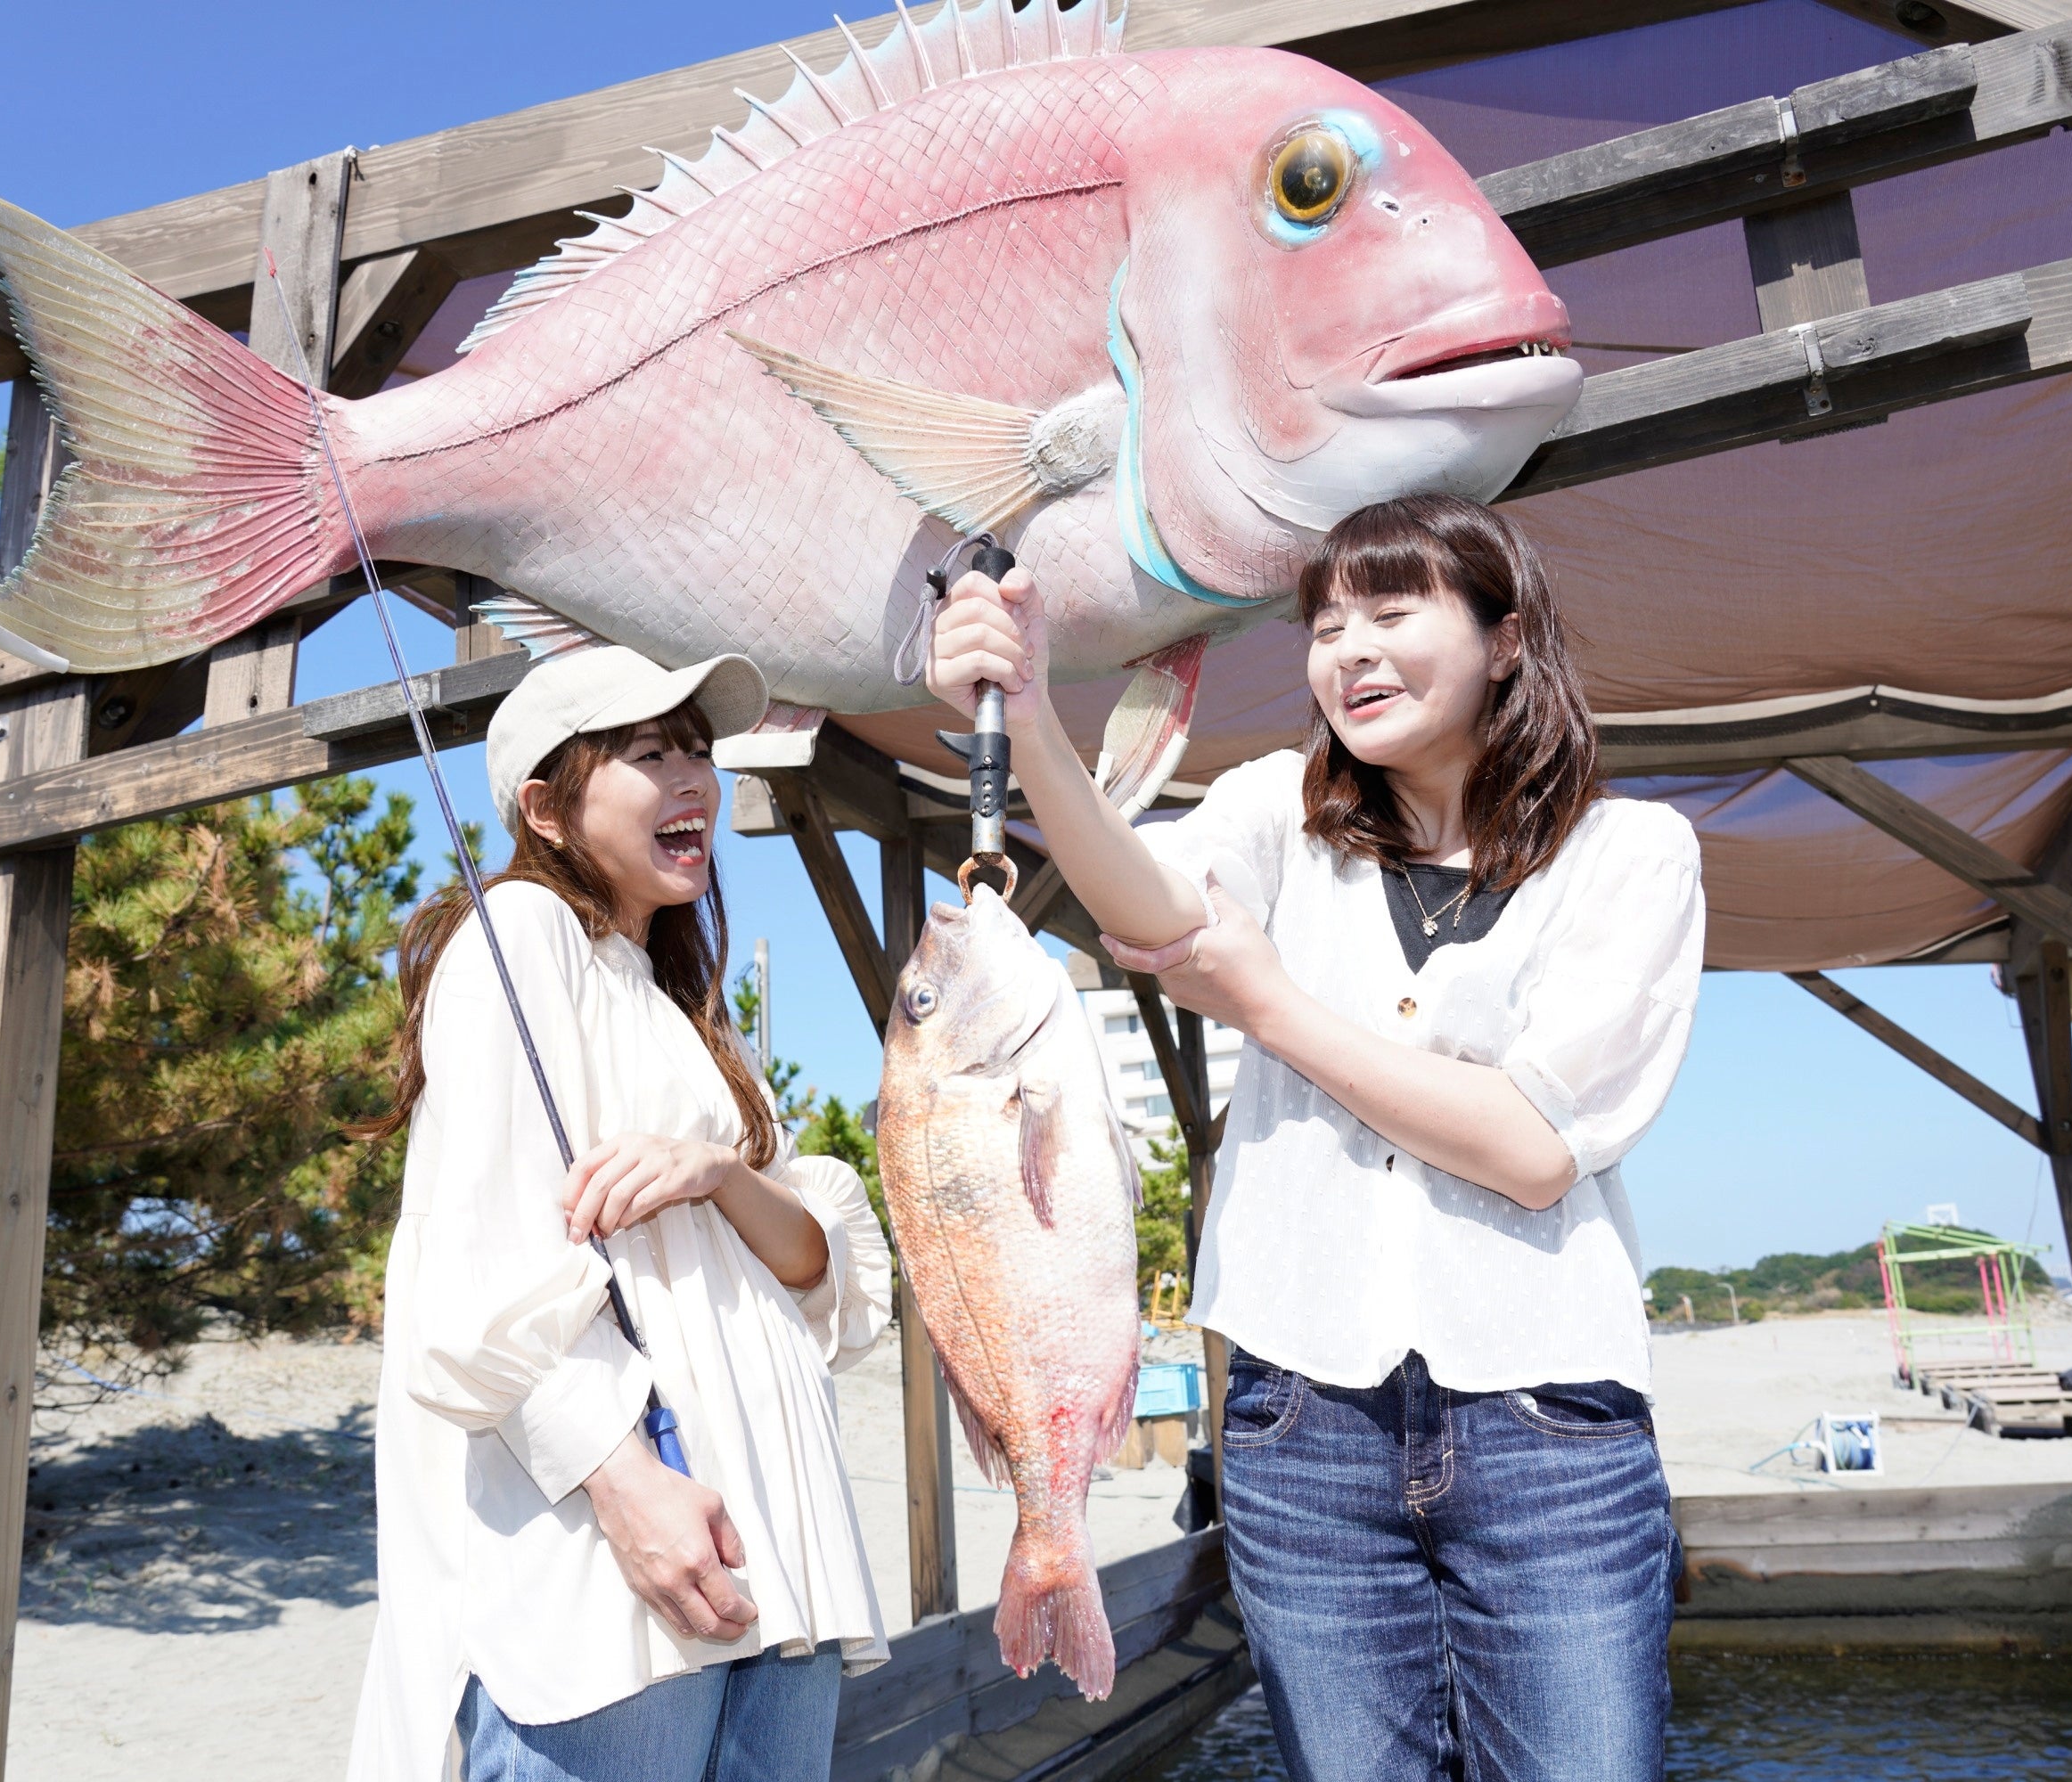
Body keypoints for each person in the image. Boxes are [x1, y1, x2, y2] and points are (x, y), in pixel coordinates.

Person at [926, 494, 1704, 1782]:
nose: (1349, 650)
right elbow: (1154, 908)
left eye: (1393, 614)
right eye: (1326, 624)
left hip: (1550, 1416)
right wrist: (1035, 717)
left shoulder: (1630, 854)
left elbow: (1530, 1146)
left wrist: (1271, 1004)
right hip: (1301, 1421)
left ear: (1507, 639)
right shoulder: (1272, 809)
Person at [347, 646, 892, 1782]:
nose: (691, 774)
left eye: (696, 746)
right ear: (544, 809)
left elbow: (818, 1270)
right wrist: (625, 1484)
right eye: (648, 752)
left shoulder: (684, 1008)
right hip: (614, 1567)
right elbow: (471, 1262)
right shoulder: (522, 934)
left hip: (770, 1560)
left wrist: (717, 1171)